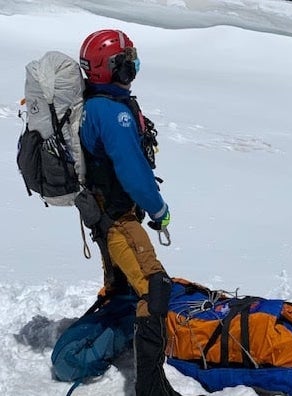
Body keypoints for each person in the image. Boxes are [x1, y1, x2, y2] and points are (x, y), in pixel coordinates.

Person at [78, 29, 181, 395]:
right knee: (155, 288)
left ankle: (113, 338)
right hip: (120, 220)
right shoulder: (112, 113)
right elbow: (133, 173)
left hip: (102, 216)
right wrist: (160, 209)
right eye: (127, 62)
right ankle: (151, 387)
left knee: (120, 283)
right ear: (113, 69)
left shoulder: (92, 104)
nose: (133, 68)